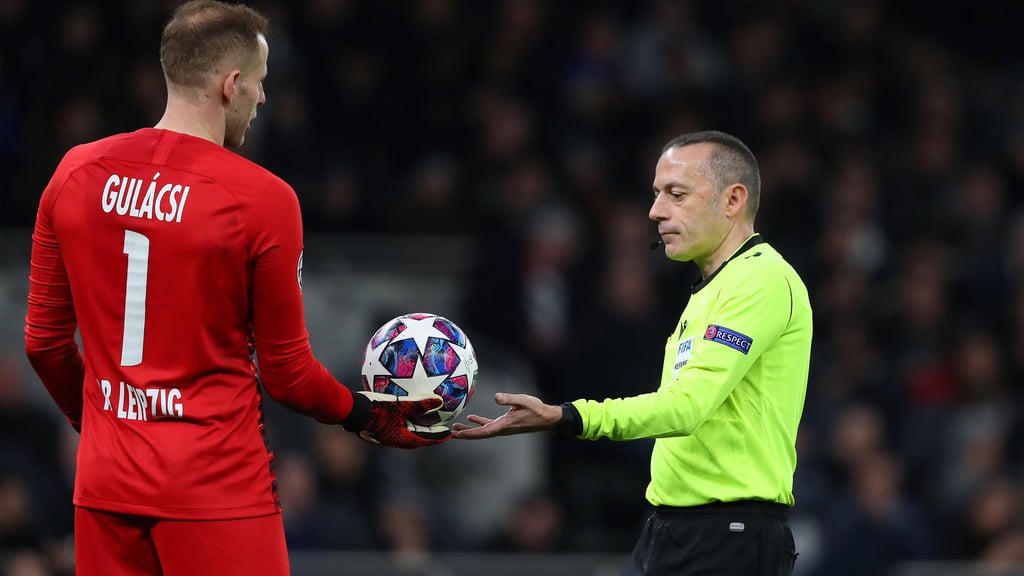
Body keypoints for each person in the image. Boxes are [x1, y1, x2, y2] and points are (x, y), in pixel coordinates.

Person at [22, 2, 449, 575]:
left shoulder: (75, 173)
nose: (264, 98)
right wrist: (370, 418)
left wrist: (105, 426)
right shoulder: (263, 199)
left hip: (106, 485)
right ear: (231, 84)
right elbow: (289, 376)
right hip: (216, 489)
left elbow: (44, 345)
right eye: (260, 82)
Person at [454, 130, 813, 575]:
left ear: (733, 199)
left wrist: (567, 416)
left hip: (729, 536)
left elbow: (685, 407)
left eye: (676, 194)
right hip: (676, 526)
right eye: (656, 194)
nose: (656, 210)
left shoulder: (760, 280)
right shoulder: (710, 289)